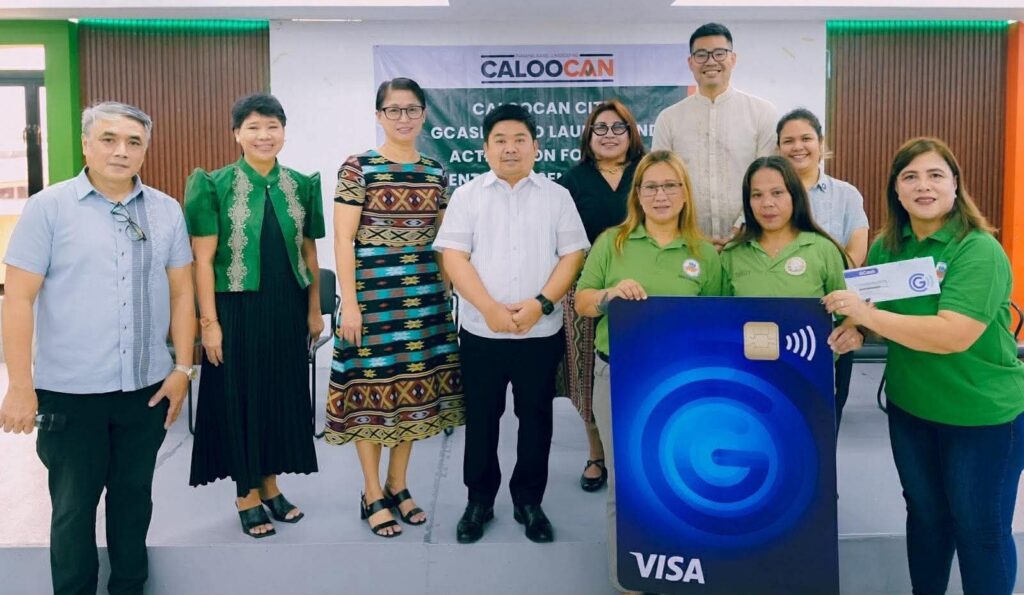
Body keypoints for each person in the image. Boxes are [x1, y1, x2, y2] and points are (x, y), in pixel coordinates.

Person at [0, 102, 194, 595]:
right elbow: (18, 298)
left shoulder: (166, 210)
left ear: (145, 150)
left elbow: (181, 293)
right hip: (70, 394)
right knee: (73, 509)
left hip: (145, 391)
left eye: (134, 142)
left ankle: (129, 588)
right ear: (86, 144)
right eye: (109, 139)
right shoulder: (48, 208)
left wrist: (183, 369)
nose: (121, 151)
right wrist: (19, 385)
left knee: (134, 502)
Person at [824, 138, 1024, 595]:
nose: (923, 186)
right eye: (910, 177)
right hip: (912, 411)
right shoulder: (887, 247)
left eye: (935, 175)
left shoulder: (977, 250)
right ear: (896, 190)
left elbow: (953, 334)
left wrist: (868, 316)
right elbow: (876, 317)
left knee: (980, 531)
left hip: (981, 418)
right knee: (927, 520)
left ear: (955, 184)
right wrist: (859, 330)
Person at [434, 103, 589, 544]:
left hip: (539, 332)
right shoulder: (467, 196)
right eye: (500, 140)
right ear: (485, 148)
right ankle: (479, 500)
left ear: (536, 147)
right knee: (482, 419)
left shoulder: (557, 197)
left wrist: (542, 303)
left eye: (520, 139)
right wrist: (489, 308)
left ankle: (529, 501)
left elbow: (573, 255)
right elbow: (454, 258)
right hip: (482, 333)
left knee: (536, 419)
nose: (510, 148)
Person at [574, 149, 722, 593]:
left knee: (683, 478)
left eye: (670, 185)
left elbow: (717, 321)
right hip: (620, 377)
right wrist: (609, 295)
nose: (661, 195)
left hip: (684, 385)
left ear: (685, 193)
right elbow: (582, 302)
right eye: (651, 186)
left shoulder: (703, 253)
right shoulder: (612, 243)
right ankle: (631, 580)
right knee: (627, 484)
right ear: (637, 194)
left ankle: (680, 569)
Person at [327, 77, 465, 539]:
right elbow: (343, 239)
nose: (403, 118)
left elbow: (443, 242)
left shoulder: (435, 172)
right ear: (379, 115)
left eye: (411, 110)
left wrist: (446, 294)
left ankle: (398, 484)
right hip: (371, 303)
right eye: (393, 110)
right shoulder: (358, 168)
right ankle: (371, 492)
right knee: (371, 395)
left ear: (424, 114)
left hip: (423, 303)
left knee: (412, 396)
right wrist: (349, 304)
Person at [185, 93, 323, 539]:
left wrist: (314, 309)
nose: (264, 135)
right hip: (236, 310)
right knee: (239, 398)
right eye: (254, 127)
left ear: (283, 132)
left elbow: (309, 252)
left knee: (279, 395)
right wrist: (209, 324)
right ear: (237, 134)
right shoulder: (214, 185)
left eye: (272, 127)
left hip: (286, 307)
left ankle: (270, 485)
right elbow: (203, 261)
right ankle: (245, 494)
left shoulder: (300, 184)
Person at [558, 99, 646, 493]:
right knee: (586, 374)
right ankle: (596, 453)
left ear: (631, 133)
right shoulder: (573, 180)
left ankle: (637, 447)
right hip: (587, 287)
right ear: (588, 136)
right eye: (601, 128)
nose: (609, 135)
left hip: (642, 288)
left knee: (639, 369)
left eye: (618, 127)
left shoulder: (646, 173)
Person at [776, 108, 869, 429]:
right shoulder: (769, 195)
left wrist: (819, 279)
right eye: (788, 141)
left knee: (824, 420)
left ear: (821, 143)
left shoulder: (846, 195)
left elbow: (855, 256)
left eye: (806, 138)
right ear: (778, 148)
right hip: (778, 322)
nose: (797, 147)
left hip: (833, 323)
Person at [720, 156, 863, 365]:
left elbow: (849, 313)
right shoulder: (732, 254)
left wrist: (851, 331)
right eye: (757, 195)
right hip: (745, 373)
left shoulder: (823, 249)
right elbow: (719, 320)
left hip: (809, 372)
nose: (767, 203)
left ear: (794, 195)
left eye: (777, 193)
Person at [652, 22, 777, 249]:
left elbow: (767, 180)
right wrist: (689, 234)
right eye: (701, 55)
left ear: (733, 59)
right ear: (690, 62)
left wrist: (741, 228)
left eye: (719, 53)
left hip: (751, 239)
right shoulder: (669, 119)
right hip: (687, 243)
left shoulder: (762, 112)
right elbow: (661, 184)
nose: (710, 61)